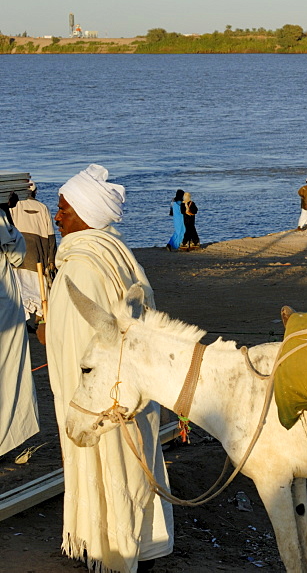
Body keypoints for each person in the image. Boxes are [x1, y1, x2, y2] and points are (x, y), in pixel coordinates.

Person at [39, 164, 173, 572]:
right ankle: (140, 545)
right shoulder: (113, 254)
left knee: (112, 466)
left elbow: (91, 346)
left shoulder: (83, 267)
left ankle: (113, 551)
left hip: (102, 401)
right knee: (136, 469)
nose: (57, 215)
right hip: (129, 395)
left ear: (85, 214)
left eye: (63, 208)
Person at [1, 192, 39, 458]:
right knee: (8, 366)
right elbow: (16, 255)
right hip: (3, 305)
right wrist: (6, 214)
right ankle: (6, 438)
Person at [10, 181, 56, 327]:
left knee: (20, 289)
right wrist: (51, 259)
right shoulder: (43, 208)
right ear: (35, 193)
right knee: (41, 290)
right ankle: (40, 320)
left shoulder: (14, 207)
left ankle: (22, 322)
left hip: (19, 256)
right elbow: (50, 236)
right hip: (38, 256)